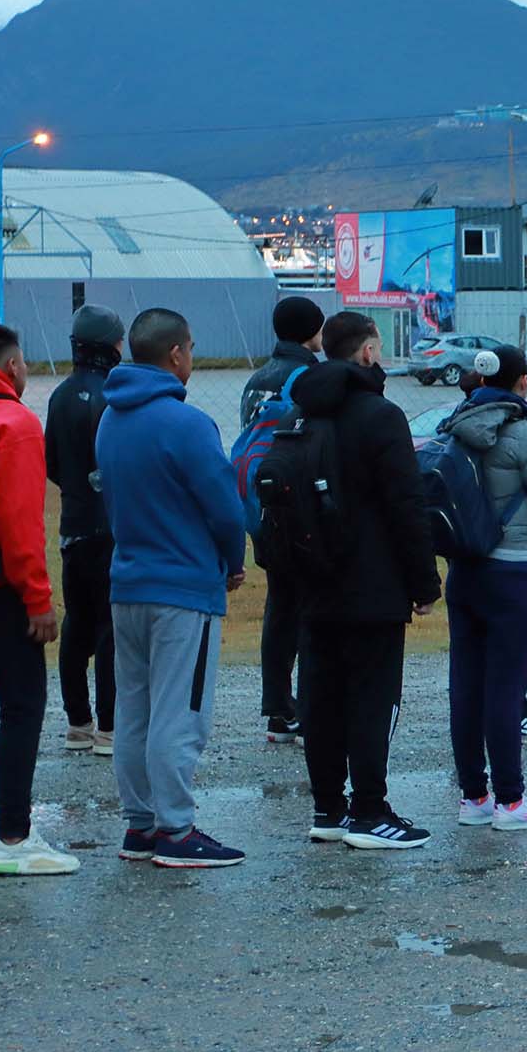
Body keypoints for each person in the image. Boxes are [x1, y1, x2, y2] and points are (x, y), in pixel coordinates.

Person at [95, 308, 248, 868]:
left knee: (132, 711)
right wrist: (232, 562)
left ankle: (141, 826)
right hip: (183, 587)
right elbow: (226, 509)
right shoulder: (188, 424)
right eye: (190, 348)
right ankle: (177, 831)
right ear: (177, 354)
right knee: (180, 714)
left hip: (128, 581)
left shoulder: (111, 420)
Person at [283, 312, 441, 849]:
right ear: (368, 353)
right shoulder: (381, 416)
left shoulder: (301, 411)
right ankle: (371, 809)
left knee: (321, 695)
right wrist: (425, 584)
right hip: (373, 582)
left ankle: (329, 807)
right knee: (373, 696)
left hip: (312, 577)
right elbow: (406, 504)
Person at [442, 345, 527, 831]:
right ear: (522, 383)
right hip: (516, 570)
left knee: (466, 684)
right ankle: (511, 802)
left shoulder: (455, 425)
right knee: (506, 687)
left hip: (465, 568)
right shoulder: (526, 434)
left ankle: (473, 796)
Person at [0, 325, 77, 875]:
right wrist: (38, 599)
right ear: (13, 365)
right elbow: (19, 526)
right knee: (21, 708)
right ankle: (14, 835)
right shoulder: (13, 423)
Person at [240, 295, 324, 745]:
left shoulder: (257, 379)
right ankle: (307, 708)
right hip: (297, 503)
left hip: (260, 504)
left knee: (279, 605)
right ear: (314, 331)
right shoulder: (308, 377)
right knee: (309, 606)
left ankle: (277, 705)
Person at [44, 305, 125, 758]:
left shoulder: (58, 395)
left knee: (77, 622)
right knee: (111, 626)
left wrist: (76, 490)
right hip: (111, 524)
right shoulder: (115, 392)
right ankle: (110, 728)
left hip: (74, 525)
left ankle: (78, 723)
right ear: (109, 346)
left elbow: (51, 462)